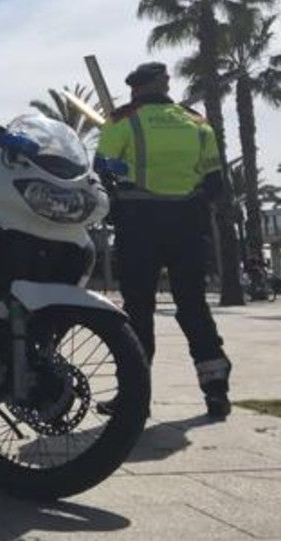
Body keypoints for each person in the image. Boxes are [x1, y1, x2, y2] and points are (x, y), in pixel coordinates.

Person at [96, 62, 232, 420]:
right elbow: (216, 183)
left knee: (138, 311)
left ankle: (134, 398)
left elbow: (102, 171)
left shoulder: (122, 120)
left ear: (137, 88)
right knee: (194, 307)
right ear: (165, 85)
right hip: (187, 226)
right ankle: (216, 391)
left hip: (139, 225)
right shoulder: (197, 122)